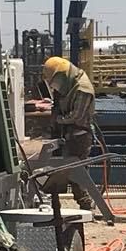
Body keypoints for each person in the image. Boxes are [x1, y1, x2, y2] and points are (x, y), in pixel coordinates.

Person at [36, 55, 97, 208]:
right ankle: (54, 204)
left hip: (79, 136)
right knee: (60, 169)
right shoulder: (68, 84)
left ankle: (86, 203)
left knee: (76, 171)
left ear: (62, 76)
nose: (53, 86)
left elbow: (76, 116)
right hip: (67, 133)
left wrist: (58, 119)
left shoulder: (83, 89)